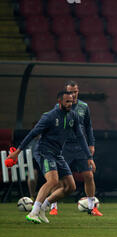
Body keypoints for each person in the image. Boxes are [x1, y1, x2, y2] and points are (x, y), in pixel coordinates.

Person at [7, 91, 95, 224]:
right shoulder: (49, 116)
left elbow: (80, 137)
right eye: (67, 101)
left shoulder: (73, 116)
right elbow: (32, 134)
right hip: (44, 151)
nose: (70, 104)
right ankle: (33, 212)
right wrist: (17, 151)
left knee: (71, 187)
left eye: (71, 101)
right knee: (53, 181)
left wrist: (89, 157)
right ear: (59, 102)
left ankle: (43, 207)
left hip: (57, 154)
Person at [49, 81, 101, 216]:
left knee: (89, 175)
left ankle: (92, 207)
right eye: (70, 92)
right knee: (58, 178)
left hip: (80, 146)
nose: (73, 94)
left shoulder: (84, 106)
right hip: (64, 146)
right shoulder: (59, 106)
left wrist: (91, 144)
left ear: (78, 91)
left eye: (75, 91)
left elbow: (88, 126)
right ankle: (53, 206)